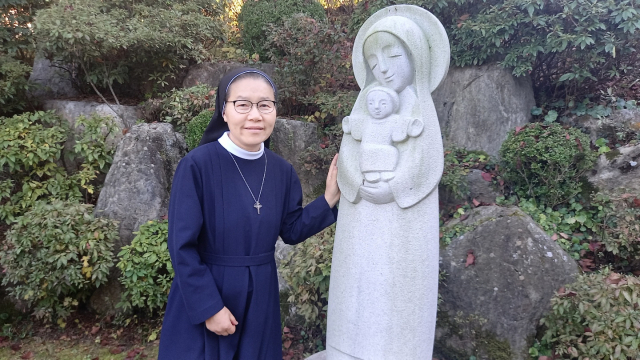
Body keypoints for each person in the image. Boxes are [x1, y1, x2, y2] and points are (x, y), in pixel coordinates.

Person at [158, 67, 340, 360]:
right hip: (211, 294)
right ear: (224, 111)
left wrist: (329, 199)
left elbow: (291, 230)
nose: (255, 115)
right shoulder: (197, 166)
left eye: (265, 105)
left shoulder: (282, 171)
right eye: (242, 104)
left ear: (274, 112)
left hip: (260, 300)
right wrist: (209, 308)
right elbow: (182, 247)